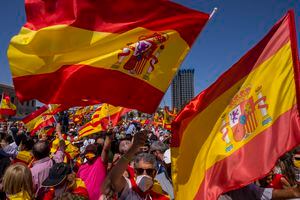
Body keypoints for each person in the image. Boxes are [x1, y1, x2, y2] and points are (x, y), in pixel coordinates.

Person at [102, 130, 170, 200]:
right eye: (140, 171)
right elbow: (112, 180)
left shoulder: (161, 197)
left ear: (155, 173)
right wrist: (134, 147)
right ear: (135, 172)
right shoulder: (129, 187)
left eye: (149, 171)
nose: (144, 174)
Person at [77, 131, 112, 200]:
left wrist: (108, 134)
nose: (89, 155)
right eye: (88, 153)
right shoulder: (81, 167)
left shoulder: (100, 162)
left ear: (96, 153)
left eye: (92, 153)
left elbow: (106, 149)